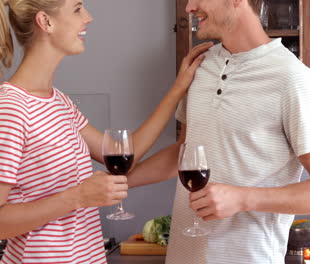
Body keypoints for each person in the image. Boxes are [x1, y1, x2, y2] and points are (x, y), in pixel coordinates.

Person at [129, 0, 310, 263]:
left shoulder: (292, 78)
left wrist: (243, 198)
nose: (189, 7)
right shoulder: (200, 66)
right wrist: (118, 183)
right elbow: (184, 154)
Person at [0, 0, 211, 263]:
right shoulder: (11, 108)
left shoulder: (59, 102)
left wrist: (178, 87)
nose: (88, 17)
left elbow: (125, 153)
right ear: (46, 22)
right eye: (77, 9)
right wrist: (77, 196)